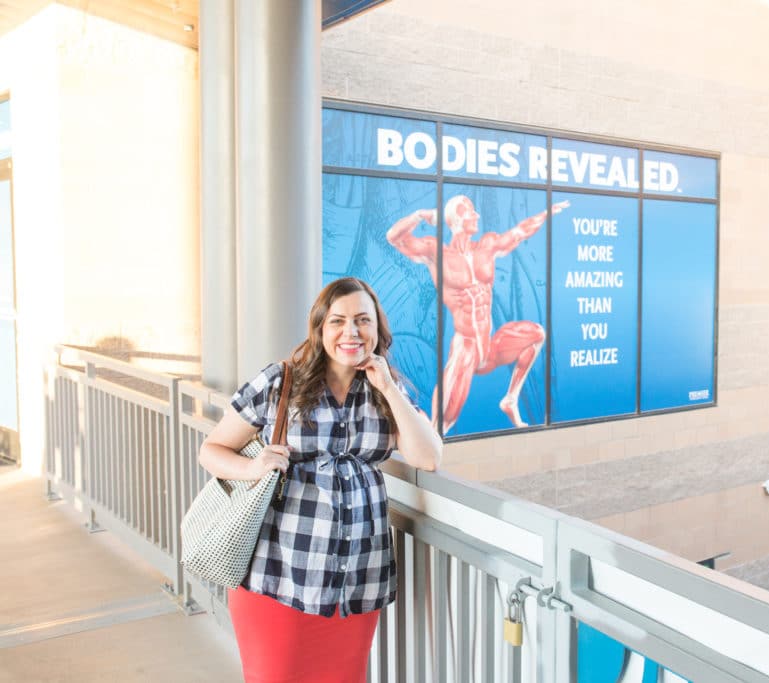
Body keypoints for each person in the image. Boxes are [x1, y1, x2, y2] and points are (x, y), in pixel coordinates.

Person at [198, 277, 441, 683]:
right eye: (338, 321)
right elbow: (212, 450)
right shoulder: (280, 381)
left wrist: (388, 389)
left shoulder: (385, 388)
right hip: (279, 576)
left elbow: (428, 457)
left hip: (355, 581)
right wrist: (254, 468)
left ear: (378, 329)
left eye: (363, 320)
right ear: (320, 328)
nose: (351, 332)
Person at [387, 194, 569, 434]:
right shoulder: (436, 252)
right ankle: (427, 446)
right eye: (470, 212)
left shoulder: (488, 245)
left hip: (490, 346)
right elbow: (394, 237)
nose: (476, 216)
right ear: (456, 218)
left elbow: (519, 232)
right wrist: (420, 215)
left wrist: (546, 213)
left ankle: (510, 399)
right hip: (467, 347)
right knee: (441, 424)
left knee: (536, 334)